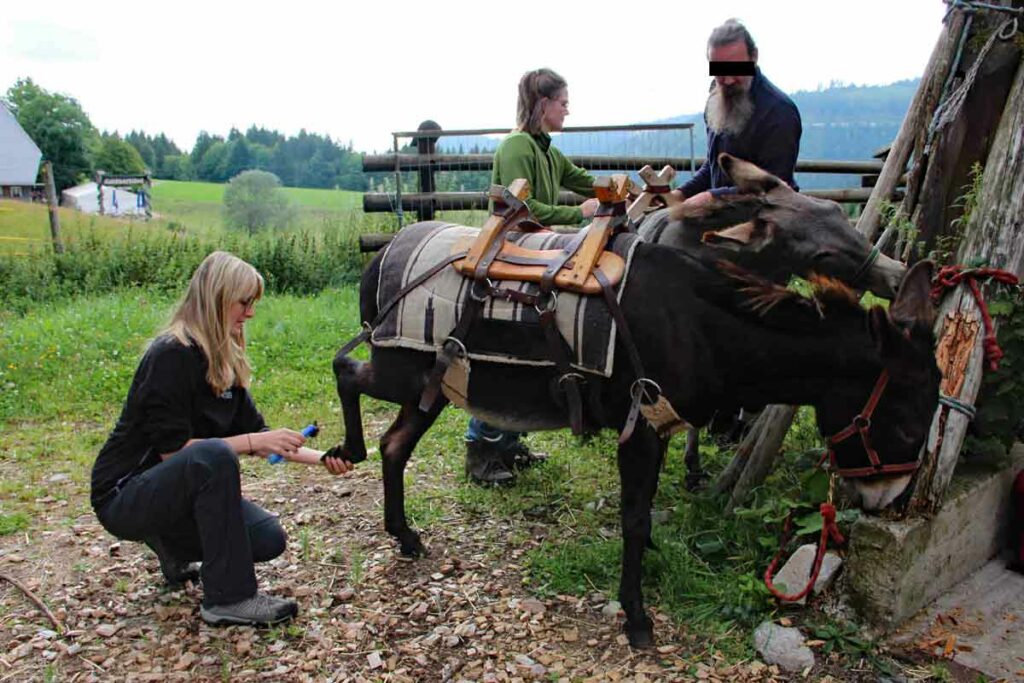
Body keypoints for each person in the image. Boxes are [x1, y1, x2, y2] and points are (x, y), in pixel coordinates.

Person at [90, 251, 354, 626]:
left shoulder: (221, 360)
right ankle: (229, 599)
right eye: (244, 303)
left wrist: (325, 458)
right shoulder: (171, 355)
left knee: (267, 539)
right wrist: (250, 442)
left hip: (173, 495)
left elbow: (260, 436)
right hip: (125, 494)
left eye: (253, 304)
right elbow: (174, 454)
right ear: (216, 299)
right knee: (214, 457)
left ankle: (170, 545)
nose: (250, 313)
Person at [464, 67, 601, 486]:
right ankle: (482, 450)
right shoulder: (517, 147)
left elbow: (584, 182)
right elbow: (522, 209)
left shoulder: (547, 151)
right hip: (510, 256)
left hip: (535, 256)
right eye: (562, 102)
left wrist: (619, 192)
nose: (567, 109)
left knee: (531, 345)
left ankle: (509, 443)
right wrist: (578, 214)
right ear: (543, 104)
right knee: (505, 346)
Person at [672, 18, 802, 211]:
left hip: (769, 221)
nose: (728, 79)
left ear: (754, 57)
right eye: (719, 72)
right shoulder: (715, 102)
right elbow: (712, 167)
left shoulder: (780, 112)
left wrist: (712, 197)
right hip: (722, 215)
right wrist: (680, 194)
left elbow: (774, 191)